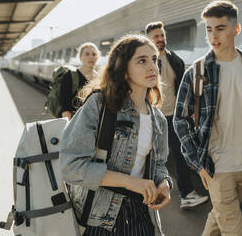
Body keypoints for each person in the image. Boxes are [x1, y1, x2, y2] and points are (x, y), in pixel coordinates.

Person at [173, 0, 242, 236]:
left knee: (218, 218)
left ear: (236, 29)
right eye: (209, 29)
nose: (213, 36)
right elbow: (180, 119)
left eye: (220, 28)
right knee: (234, 229)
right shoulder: (197, 72)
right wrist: (197, 162)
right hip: (216, 165)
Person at [59, 34, 172, 236]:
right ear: (123, 68)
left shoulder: (158, 119)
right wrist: (129, 181)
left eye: (154, 59)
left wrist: (164, 183)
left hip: (141, 215)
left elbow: (160, 164)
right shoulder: (99, 105)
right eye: (142, 61)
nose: (152, 67)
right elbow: (71, 166)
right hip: (99, 219)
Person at [146, 21, 209, 209]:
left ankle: (187, 195)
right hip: (152, 117)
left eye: (162, 35)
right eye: (156, 36)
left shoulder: (175, 59)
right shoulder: (146, 60)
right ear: (149, 39)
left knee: (180, 155)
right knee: (151, 156)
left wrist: (189, 113)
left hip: (174, 117)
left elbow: (184, 89)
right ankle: (149, 193)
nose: (160, 39)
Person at [60, 42, 99, 120]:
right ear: (80, 57)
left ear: (97, 57)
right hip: (75, 122)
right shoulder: (70, 76)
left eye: (94, 54)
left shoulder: (99, 78)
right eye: (87, 54)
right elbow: (65, 106)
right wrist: (68, 126)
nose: (91, 57)